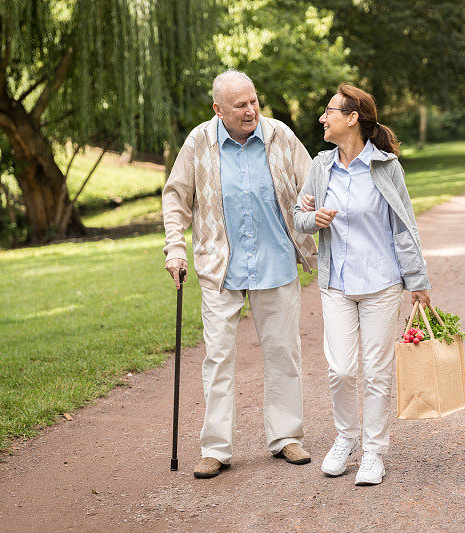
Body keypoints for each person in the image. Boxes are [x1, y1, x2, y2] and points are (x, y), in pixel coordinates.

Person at [161, 70, 318, 479]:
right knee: (217, 358)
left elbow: (313, 182)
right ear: (218, 109)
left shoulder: (279, 135)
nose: (251, 111)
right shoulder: (199, 142)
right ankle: (216, 448)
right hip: (220, 266)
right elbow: (176, 198)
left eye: (253, 102)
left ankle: (286, 437)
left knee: (284, 353)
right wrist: (175, 248)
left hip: (276, 260)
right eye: (240, 106)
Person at [293, 84, 431, 486]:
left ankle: (373, 451)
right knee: (340, 369)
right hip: (336, 282)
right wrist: (313, 220)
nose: (323, 118)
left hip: (382, 283)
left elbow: (404, 227)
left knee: (376, 371)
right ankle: (345, 437)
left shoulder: (386, 167)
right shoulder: (321, 166)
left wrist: (417, 282)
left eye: (329, 111)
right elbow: (298, 215)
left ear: (352, 118)